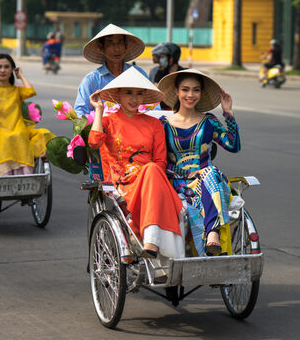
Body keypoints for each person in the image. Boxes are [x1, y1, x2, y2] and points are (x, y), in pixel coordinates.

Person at [87, 67, 184, 260]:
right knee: (151, 170)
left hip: (149, 178)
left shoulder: (154, 124)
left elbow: (160, 161)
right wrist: (99, 110)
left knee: (152, 168)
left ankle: (151, 241)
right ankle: (151, 240)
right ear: (118, 95)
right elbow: (94, 141)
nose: (134, 99)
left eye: (139, 94)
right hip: (121, 182)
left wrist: (148, 172)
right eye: (128, 93)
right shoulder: (108, 121)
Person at [157, 69, 240, 256]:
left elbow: (233, 145)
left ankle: (213, 236)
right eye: (185, 89)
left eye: (196, 90)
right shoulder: (163, 124)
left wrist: (228, 113)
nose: (190, 95)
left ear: (201, 93)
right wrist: (182, 173)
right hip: (175, 184)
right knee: (206, 175)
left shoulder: (209, 121)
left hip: (208, 184)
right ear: (177, 92)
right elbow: (158, 158)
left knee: (209, 173)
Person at [0, 54, 50, 176]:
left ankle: (26, 175)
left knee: (39, 134)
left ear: (11, 70)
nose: (3, 70)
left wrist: (20, 75)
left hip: (18, 129)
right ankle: (5, 175)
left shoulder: (16, 90)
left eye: (7, 67)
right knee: (6, 137)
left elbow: (30, 91)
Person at [74, 24, 147, 116]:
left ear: (126, 46)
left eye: (120, 43)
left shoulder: (138, 74)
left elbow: (153, 106)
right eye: (110, 44)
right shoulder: (92, 80)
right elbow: (80, 112)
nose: (116, 49)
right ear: (101, 47)